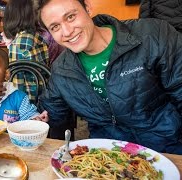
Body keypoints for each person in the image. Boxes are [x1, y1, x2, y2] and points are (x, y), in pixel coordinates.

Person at [37, 0, 182, 154]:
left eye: (71, 17)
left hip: (167, 148)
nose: (66, 32)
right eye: (55, 27)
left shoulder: (153, 35)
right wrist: (39, 120)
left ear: (87, 8)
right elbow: (52, 113)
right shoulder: (61, 69)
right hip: (106, 153)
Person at [2, 0, 49, 103]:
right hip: (43, 94)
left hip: (29, 101)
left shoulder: (19, 44)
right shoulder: (37, 37)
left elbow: (17, 82)